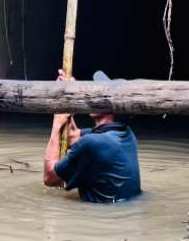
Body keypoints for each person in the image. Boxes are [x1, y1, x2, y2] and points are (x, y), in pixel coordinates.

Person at [43, 71, 141, 202]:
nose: (92, 96)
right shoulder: (126, 134)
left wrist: (56, 124)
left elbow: (49, 178)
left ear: (109, 107)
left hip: (103, 217)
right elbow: (71, 137)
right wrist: (70, 94)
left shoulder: (94, 143)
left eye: (98, 94)